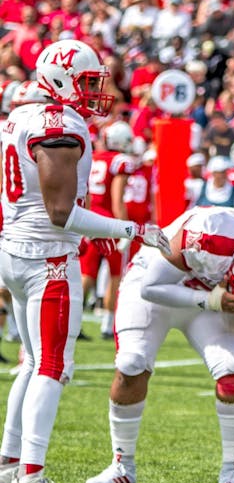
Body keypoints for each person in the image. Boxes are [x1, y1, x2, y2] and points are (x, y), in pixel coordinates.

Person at [0, 39, 169, 483]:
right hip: (48, 259)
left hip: (16, 251)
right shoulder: (59, 125)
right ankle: (29, 480)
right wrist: (132, 228)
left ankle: (8, 463)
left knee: (32, 363)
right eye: (89, 81)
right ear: (61, 79)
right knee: (53, 367)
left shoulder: (22, 114)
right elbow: (60, 212)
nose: (96, 91)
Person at [86, 207, 234, 483]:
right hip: (162, 284)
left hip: (216, 296)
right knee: (132, 362)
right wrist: (213, 300)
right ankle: (121, 465)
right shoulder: (208, 232)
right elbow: (151, 288)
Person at [82, 121, 136, 339]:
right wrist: (124, 228)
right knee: (115, 274)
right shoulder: (120, 161)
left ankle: (72, 321)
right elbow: (117, 201)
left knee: (87, 272)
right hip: (108, 222)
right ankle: (107, 325)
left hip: (87, 218)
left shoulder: (94, 157)